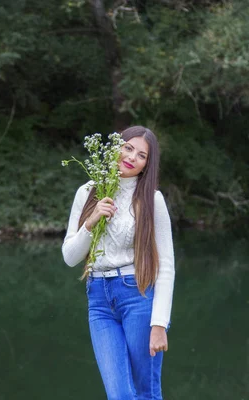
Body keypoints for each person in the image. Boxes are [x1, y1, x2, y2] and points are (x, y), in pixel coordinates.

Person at [62, 126, 175, 400]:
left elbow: (167, 264)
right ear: (116, 148)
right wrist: (91, 221)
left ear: (148, 164)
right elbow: (70, 257)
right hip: (99, 300)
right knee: (120, 395)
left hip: (137, 296)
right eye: (128, 148)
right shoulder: (88, 191)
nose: (132, 157)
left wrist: (159, 323)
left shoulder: (152, 200)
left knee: (146, 392)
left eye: (142, 155)